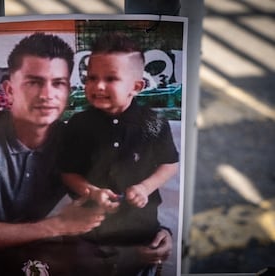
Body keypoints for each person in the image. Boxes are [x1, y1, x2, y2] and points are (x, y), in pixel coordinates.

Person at [0, 32, 173, 275]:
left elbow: (114, 191)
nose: (47, 95)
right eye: (34, 82)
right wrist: (57, 226)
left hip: (37, 258)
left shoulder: (73, 138)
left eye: (59, 83)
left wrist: (158, 232)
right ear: (9, 90)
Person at [58, 32, 179, 275]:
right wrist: (92, 191)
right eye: (91, 78)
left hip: (141, 234)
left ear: (136, 86)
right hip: (89, 234)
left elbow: (169, 164)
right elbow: (67, 173)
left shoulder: (154, 122)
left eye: (110, 78)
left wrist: (145, 187)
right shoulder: (78, 124)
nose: (97, 86)